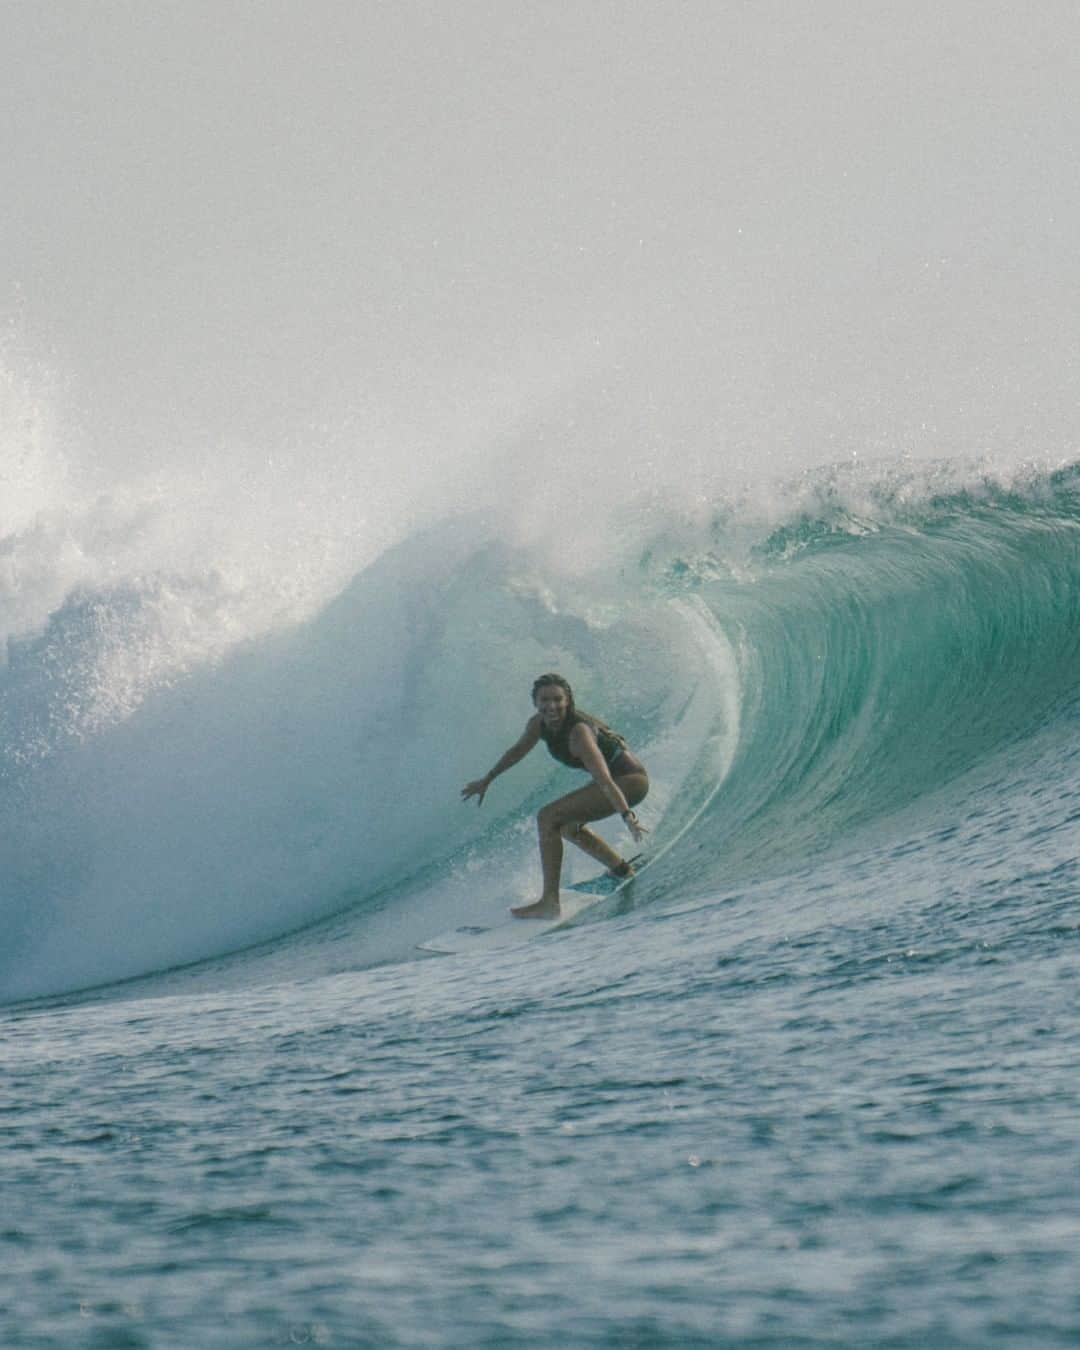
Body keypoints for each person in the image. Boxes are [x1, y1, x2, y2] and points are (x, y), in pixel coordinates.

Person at [462, 673, 648, 919]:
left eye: (558, 699)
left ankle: (550, 903)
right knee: (567, 826)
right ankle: (621, 869)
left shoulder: (579, 732)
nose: (551, 706)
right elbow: (517, 751)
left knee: (547, 817)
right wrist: (488, 779)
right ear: (535, 702)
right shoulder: (538, 724)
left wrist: (627, 815)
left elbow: (604, 779)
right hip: (616, 781)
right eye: (545, 700)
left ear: (568, 700)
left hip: (630, 781)